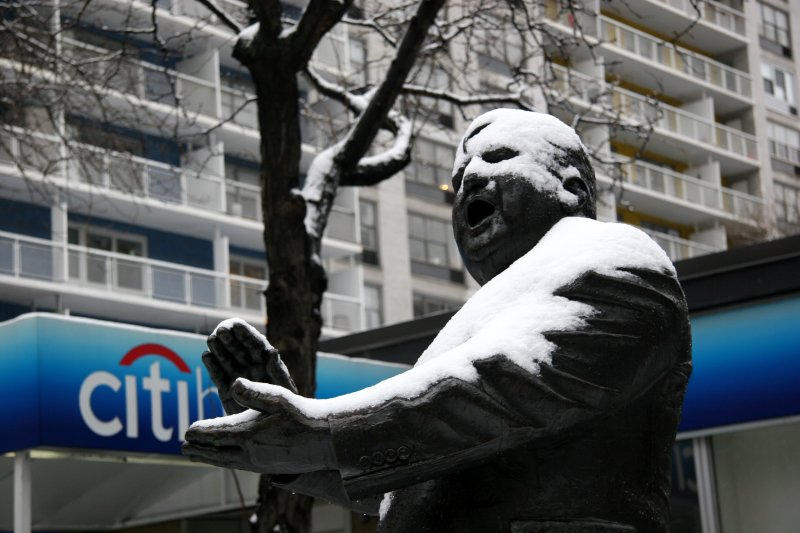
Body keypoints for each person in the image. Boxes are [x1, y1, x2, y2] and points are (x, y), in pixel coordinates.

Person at [183, 109, 692, 533]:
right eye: (461, 173)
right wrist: (291, 452)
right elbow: (408, 476)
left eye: (497, 158)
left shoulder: (614, 260)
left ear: (570, 188)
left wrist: (324, 429)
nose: (469, 177)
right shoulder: (479, 321)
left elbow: (495, 393)